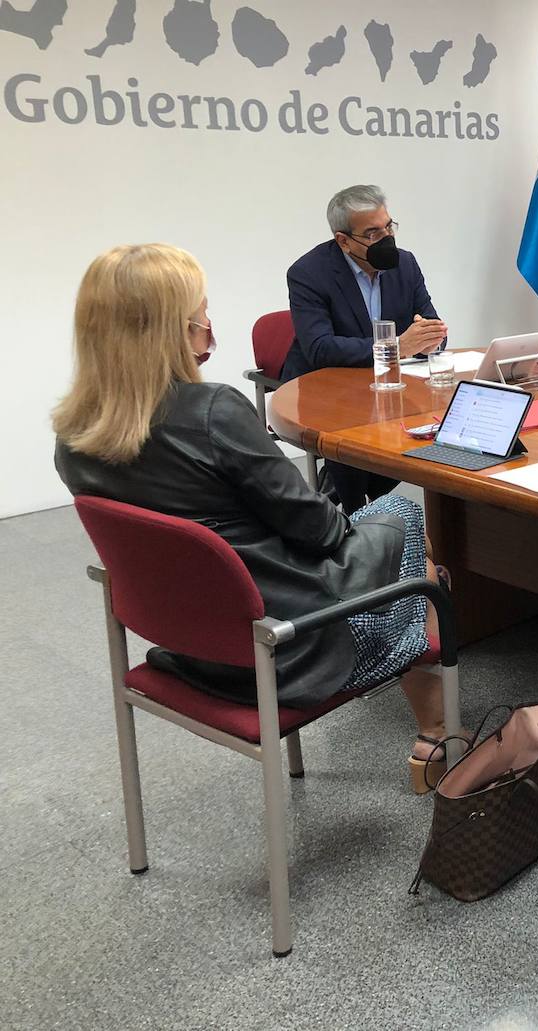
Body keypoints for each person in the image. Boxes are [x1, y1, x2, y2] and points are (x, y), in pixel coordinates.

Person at [54, 244, 452, 793]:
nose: (209, 322)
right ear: (175, 330)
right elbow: (324, 532)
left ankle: (430, 705)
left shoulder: (72, 439)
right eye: (201, 312)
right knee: (401, 514)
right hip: (287, 648)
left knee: (404, 554)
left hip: (193, 648)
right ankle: (436, 731)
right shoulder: (212, 413)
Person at [281, 184, 448, 511]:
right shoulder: (308, 273)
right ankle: (352, 515)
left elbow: (428, 323)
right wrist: (397, 346)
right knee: (350, 447)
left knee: (436, 428)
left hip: (390, 386)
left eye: (388, 227)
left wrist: (431, 339)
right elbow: (320, 348)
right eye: (373, 233)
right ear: (343, 240)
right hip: (326, 389)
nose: (386, 239)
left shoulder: (405, 264)